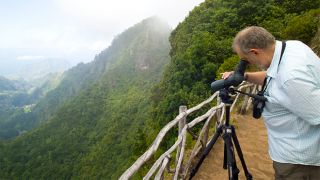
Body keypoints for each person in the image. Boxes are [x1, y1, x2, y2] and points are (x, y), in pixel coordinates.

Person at [223, 26, 320, 179]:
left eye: (246, 60)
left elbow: (317, 114)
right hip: (296, 153)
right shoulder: (293, 47)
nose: (248, 63)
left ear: (255, 52)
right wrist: (246, 75)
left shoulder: (290, 78)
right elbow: (273, 76)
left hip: (298, 162)